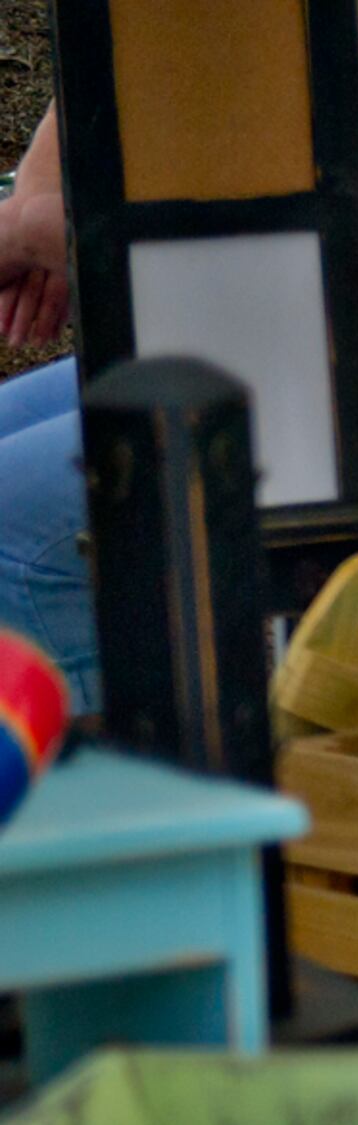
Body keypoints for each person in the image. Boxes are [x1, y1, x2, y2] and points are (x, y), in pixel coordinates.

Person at [0, 107, 95, 708]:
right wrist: (37, 198)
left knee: (11, 523)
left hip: (352, 374)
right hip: (213, 332)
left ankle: (128, 786)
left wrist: (31, 233)